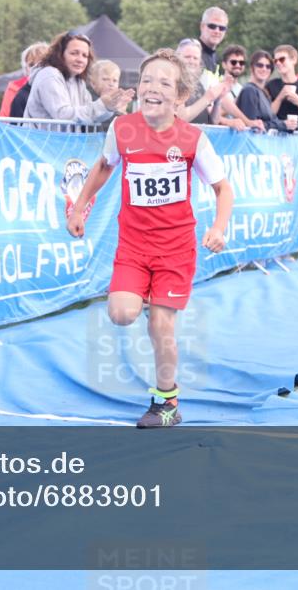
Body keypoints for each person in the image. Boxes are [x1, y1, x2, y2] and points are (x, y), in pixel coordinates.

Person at [66, 48, 234, 428]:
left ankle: (166, 403)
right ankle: (147, 296)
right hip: (134, 246)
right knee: (121, 313)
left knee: (160, 326)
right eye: (146, 80)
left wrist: (218, 228)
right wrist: (79, 208)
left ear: (180, 97)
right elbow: (103, 166)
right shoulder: (122, 129)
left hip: (176, 249)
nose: (153, 87)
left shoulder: (193, 139)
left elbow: (223, 189)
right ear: (138, 87)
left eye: (164, 83)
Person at [25, 31, 133, 129]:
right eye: (74, 53)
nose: (80, 59)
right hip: (40, 142)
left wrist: (111, 107)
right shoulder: (49, 75)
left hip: (63, 142)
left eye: (85, 55)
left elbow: (90, 116)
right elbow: (63, 115)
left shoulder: (78, 81)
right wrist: (102, 104)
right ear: (60, 54)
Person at [175, 39, 232, 126]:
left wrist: (218, 100)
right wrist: (207, 98)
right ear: (177, 59)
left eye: (195, 58)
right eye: (187, 57)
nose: (191, 61)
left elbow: (213, 121)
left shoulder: (199, 85)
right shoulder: (174, 83)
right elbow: (180, 118)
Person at [266, 44, 298, 132]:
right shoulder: (271, 85)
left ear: (294, 60)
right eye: (275, 61)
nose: (278, 63)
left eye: (282, 59)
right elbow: (267, 115)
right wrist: (280, 97)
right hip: (275, 135)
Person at [235, 50, 285, 132]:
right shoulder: (249, 91)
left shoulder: (264, 93)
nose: (264, 69)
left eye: (268, 66)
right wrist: (284, 125)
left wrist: (286, 124)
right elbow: (252, 126)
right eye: (260, 65)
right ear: (252, 67)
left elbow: (272, 120)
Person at [0, 41, 48, 118]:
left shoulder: (60, 86)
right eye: (31, 65)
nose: (35, 68)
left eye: (42, 64)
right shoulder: (14, 88)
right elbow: (4, 118)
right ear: (25, 67)